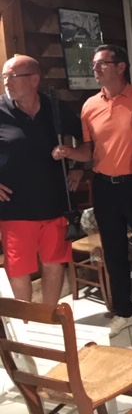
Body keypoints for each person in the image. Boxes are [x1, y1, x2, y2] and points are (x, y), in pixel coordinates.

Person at [52, 45, 132, 339]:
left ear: (121, 66)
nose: (95, 69)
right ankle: (123, 312)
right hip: (104, 186)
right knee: (114, 252)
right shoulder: (90, 106)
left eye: (102, 63)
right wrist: (69, 154)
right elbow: (89, 151)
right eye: (94, 64)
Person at [0, 55, 83, 305]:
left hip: (54, 203)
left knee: (54, 262)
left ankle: (48, 320)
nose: (6, 82)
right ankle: (25, 325)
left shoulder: (54, 107)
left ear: (34, 79)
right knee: (19, 269)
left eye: (12, 77)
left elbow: (84, 137)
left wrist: (78, 166)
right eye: (4, 77)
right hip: (15, 207)